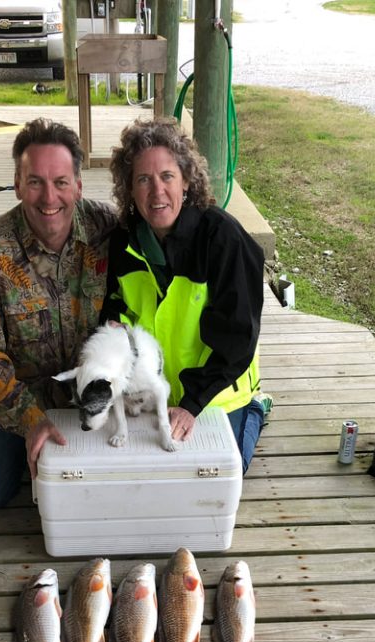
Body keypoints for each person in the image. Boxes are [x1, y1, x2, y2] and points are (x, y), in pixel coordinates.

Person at [0, 118, 117, 507]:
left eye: (61, 182)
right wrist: (31, 420)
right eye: (35, 182)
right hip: (18, 399)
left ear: (79, 185)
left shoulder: (109, 229)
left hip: (88, 392)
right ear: (17, 184)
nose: (49, 198)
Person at [102, 116, 269, 473]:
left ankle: (256, 409)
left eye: (167, 177)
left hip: (218, 391)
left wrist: (193, 404)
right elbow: (114, 306)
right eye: (143, 179)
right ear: (129, 189)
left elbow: (239, 336)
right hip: (157, 391)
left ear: (187, 181)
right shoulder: (123, 242)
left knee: (226, 469)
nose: (156, 192)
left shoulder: (223, 238)